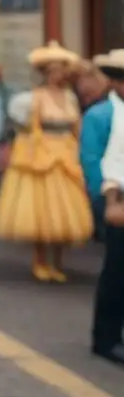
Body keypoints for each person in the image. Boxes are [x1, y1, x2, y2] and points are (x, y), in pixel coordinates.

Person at [0, 42, 93, 281]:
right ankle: (40, 260)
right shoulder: (32, 98)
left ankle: (57, 261)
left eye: (61, 70)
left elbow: (76, 127)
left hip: (66, 153)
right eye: (54, 70)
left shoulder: (69, 97)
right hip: (41, 154)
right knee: (42, 211)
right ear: (45, 73)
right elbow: (21, 127)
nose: (59, 75)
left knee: (65, 212)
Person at [79, 48, 124, 367]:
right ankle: (106, 338)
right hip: (116, 197)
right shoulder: (101, 115)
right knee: (117, 270)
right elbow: (92, 160)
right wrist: (109, 200)